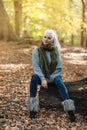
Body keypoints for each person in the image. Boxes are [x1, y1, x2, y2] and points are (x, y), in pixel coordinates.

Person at [27, 29, 76, 122]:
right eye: (45, 37)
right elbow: (36, 67)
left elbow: (59, 68)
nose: (46, 39)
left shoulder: (56, 51)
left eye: (49, 38)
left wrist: (48, 79)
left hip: (54, 75)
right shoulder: (36, 51)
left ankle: (70, 110)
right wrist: (42, 79)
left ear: (52, 40)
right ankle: (32, 108)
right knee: (33, 78)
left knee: (60, 83)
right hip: (41, 75)